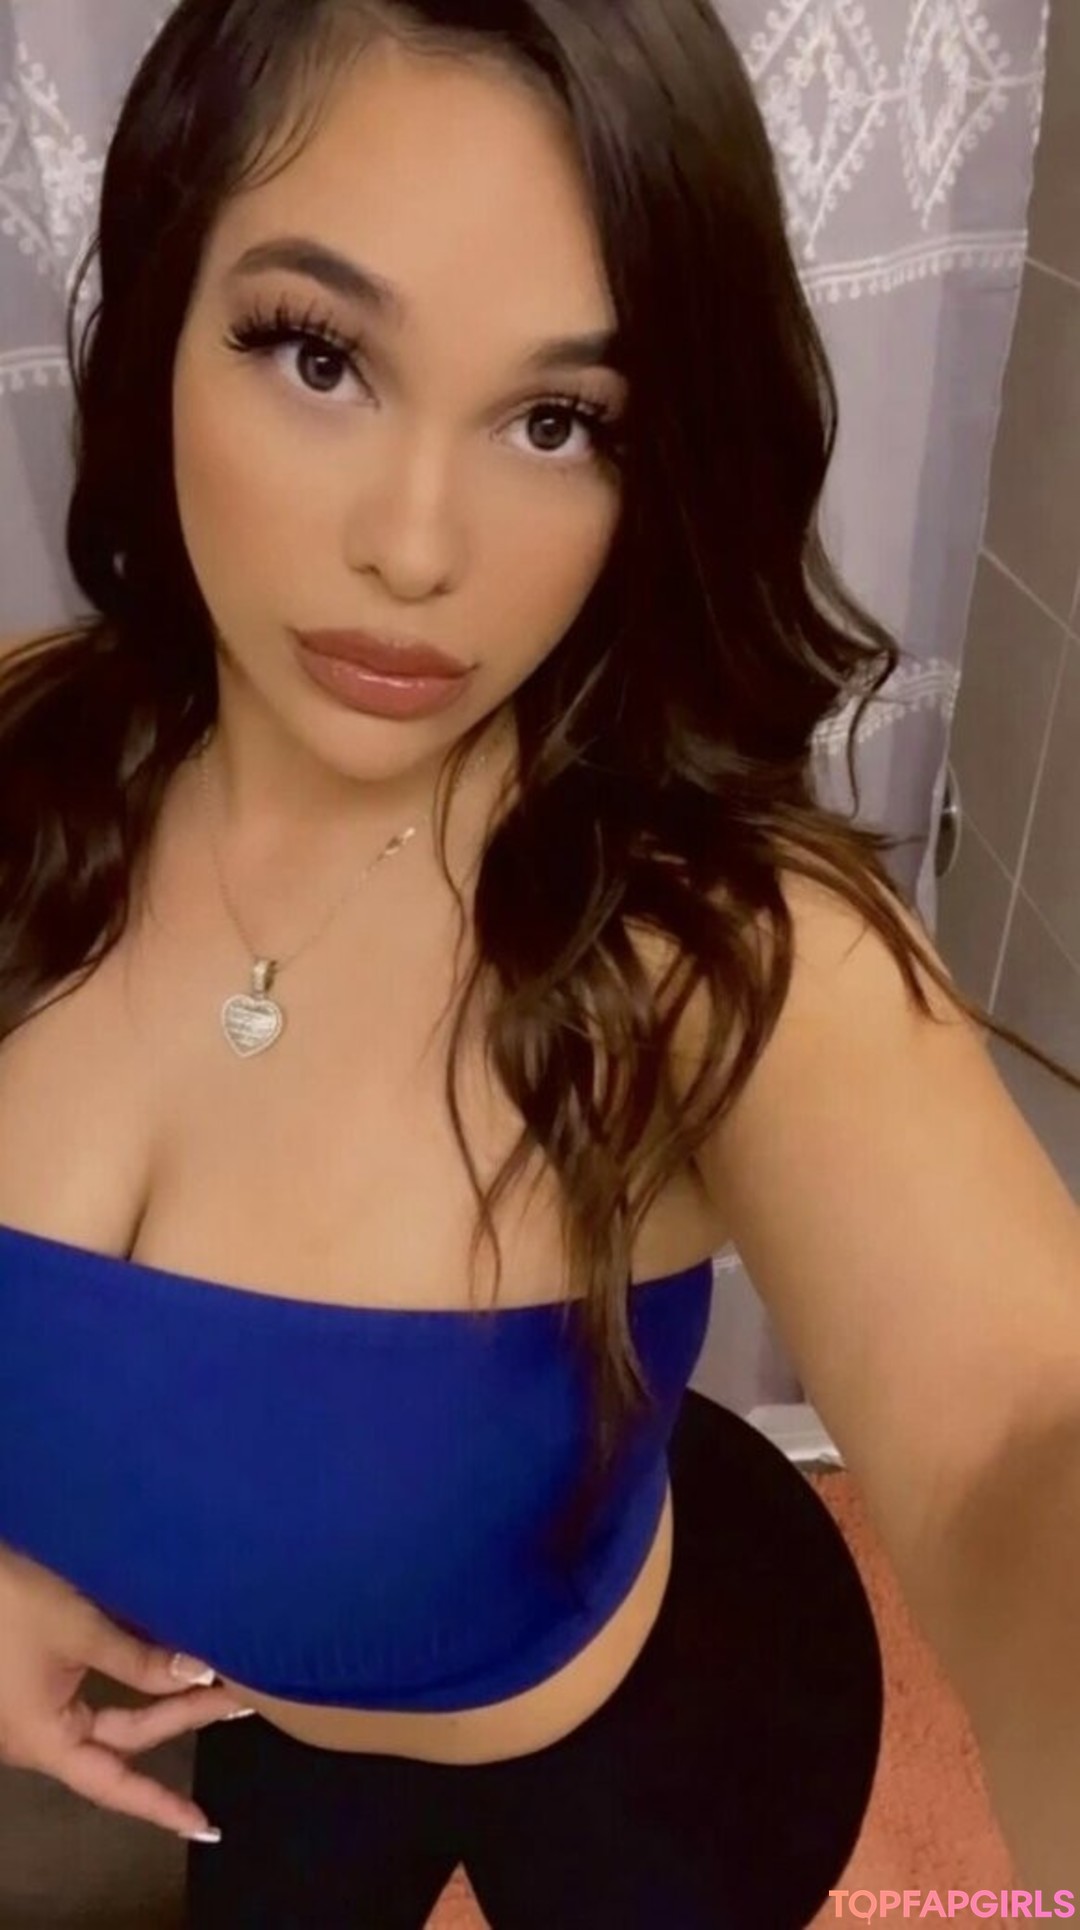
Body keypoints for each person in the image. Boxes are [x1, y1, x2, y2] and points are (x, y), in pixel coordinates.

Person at [0, 0, 1078, 1922]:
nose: (418, 547)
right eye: (318, 354)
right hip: (258, 1730)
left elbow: (1018, 1427)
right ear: (162, 311)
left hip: (648, 1733)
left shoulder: (718, 933)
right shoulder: (24, 753)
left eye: (558, 420)